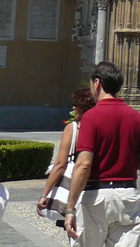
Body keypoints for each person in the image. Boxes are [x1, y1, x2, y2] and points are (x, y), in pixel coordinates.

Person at [62, 62, 140, 247]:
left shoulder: (91, 117)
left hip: (96, 196)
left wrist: (70, 207)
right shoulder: (135, 117)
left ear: (97, 83)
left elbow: (84, 164)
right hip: (127, 195)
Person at [36, 88, 96, 232]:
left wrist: (44, 194)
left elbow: (60, 164)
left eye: (76, 104)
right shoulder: (102, 126)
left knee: (75, 234)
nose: (73, 107)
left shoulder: (73, 128)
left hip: (76, 188)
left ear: (83, 107)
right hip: (98, 188)